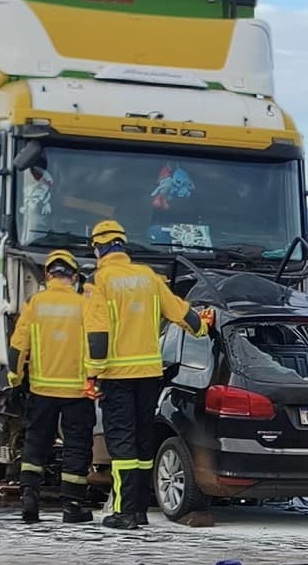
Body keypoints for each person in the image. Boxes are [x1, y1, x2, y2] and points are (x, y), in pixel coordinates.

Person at [84, 219, 212, 530]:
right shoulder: (149, 278)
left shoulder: (98, 282)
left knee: (121, 443)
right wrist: (202, 325)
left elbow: (98, 334)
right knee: (142, 442)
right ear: (123, 245)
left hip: (116, 374)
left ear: (99, 248)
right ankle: (139, 510)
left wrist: (92, 374)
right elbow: (182, 313)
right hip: (149, 375)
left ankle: (124, 512)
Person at [7, 250, 95, 524]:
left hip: (42, 390)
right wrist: (95, 377)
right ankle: (72, 505)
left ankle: (29, 496)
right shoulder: (84, 305)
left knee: (36, 443)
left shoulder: (35, 303)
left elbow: (18, 345)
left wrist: (15, 379)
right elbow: (97, 344)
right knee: (76, 446)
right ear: (74, 276)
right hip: (78, 391)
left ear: (49, 275)